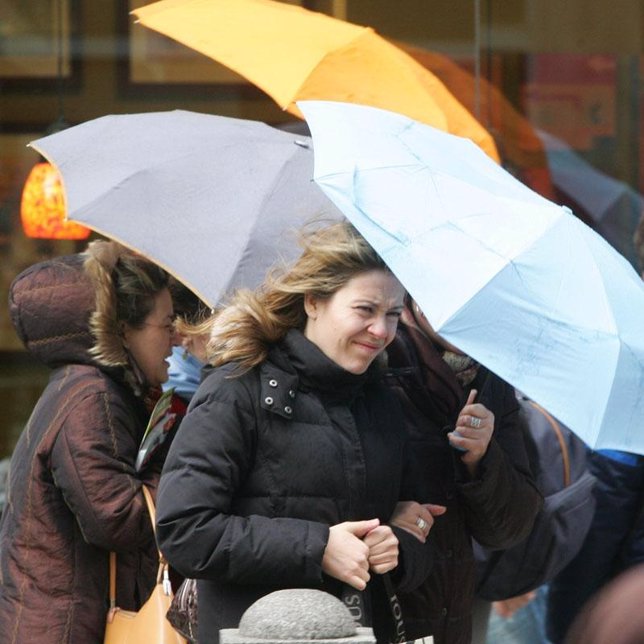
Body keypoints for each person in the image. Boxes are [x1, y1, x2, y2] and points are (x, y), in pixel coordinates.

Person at [155, 221, 436, 644]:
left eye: (393, 315)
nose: (382, 331)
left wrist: (396, 547)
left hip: (355, 630)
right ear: (313, 302)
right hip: (252, 632)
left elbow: (409, 519)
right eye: (365, 310)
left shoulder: (381, 400)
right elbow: (185, 530)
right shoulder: (236, 390)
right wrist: (318, 547)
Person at [0, 241, 180, 643]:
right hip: (65, 630)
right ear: (123, 331)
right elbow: (117, 519)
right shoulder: (92, 396)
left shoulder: (87, 388)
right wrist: (181, 464)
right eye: (166, 324)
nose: (177, 340)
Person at [385, 298, 543, 644]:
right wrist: (384, 518)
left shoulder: (489, 376)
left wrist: (481, 458)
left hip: (449, 611)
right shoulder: (376, 353)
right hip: (382, 601)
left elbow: (509, 529)